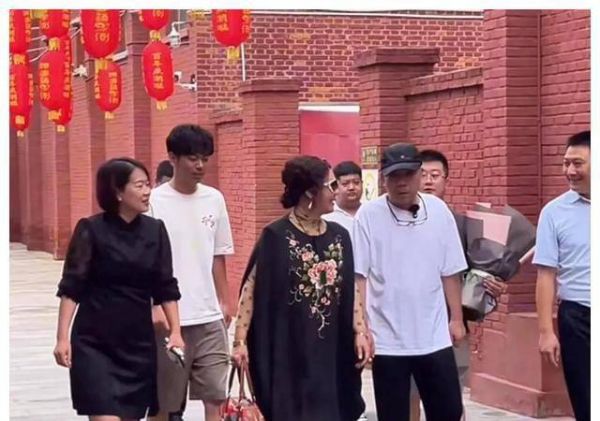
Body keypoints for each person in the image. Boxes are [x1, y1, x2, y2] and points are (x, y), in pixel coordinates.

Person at [231, 156, 369, 421]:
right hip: (287, 349)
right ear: (309, 192)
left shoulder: (339, 236)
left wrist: (360, 331)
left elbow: (349, 287)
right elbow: (250, 291)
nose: (336, 191)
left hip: (332, 348)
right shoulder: (275, 237)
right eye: (331, 185)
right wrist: (240, 342)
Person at [53, 158, 183, 421]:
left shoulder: (155, 231)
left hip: (137, 344)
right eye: (139, 185)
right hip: (94, 343)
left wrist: (176, 332)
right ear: (118, 192)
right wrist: (62, 338)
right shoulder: (91, 229)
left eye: (148, 184)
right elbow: (72, 286)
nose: (147, 191)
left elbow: (165, 286)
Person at [353, 143, 467, 421]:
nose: (402, 182)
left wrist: (457, 319)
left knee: (449, 411)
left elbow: (450, 270)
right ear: (384, 179)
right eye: (394, 176)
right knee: (394, 414)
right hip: (387, 339)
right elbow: (359, 277)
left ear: (419, 174)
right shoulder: (368, 216)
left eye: (408, 174)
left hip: (434, 335)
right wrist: (362, 328)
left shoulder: (439, 211)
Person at [148, 124, 234, 421]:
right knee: (165, 402)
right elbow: (147, 262)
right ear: (172, 158)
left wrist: (225, 300)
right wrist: (154, 305)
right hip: (169, 319)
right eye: (193, 158)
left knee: (216, 396)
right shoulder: (153, 202)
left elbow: (218, 254)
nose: (200, 165)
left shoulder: (214, 199)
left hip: (209, 317)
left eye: (205, 159)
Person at [417, 149, 507, 421]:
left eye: (435, 175)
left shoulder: (462, 225)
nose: (428, 181)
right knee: (408, 396)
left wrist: (492, 287)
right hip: (408, 324)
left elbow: (476, 275)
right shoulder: (396, 221)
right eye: (422, 175)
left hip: (450, 324)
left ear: (446, 180)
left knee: (450, 398)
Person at [534, 131, 590, 421]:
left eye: (578, 163)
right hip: (578, 318)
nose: (569, 171)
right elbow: (546, 274)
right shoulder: (554, 212)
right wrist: (546, 331)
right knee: (587, 401)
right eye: (566, 163)